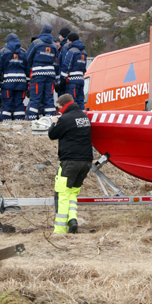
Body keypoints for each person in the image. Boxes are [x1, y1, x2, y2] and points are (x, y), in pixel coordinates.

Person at [47, 94, 93, 234]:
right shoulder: (84, 117)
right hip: (86, 162)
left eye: (59, 108)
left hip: (70, 162)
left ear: (63, 105)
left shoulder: (65, 118)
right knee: (72, 193)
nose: (58, 111)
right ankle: (72, 220)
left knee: (62, 195)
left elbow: (52, 135)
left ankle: (60, 231)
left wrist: (54, 122)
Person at [25, 24, 59, 120]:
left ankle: (31, 119)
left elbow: (28, 58)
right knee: (49, 97)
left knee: (35, 97)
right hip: (50, 75)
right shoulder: (54, 45)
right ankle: (50, 119)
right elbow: (56, 61)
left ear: (42, 31)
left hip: (38, 74)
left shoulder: (36, 43)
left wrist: (30, 69)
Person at [0, 33, 28, 121]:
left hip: (7, 83)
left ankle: (6, 122)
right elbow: (28, 68)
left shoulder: (4, 51)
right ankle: (19, 122)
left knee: (7, 102)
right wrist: (27, 81)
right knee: (19, 103)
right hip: (21, 82)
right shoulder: (23, 52)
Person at [60, 32, 88, 110]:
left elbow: (66, 66)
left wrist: (62, 80)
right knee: (80, 101)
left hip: (72, 81)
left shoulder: (71, 51)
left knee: (71, 102)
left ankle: (73, 119)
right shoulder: (83, 53)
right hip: (81, 80)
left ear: (70, 40)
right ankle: (82, 117)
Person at [54, 27, 72, 95]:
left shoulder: (65, 47)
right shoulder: (65, 46)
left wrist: (62, 81)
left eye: (60, 35)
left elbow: (64, 64)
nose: (59, 37)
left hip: (63, 80)